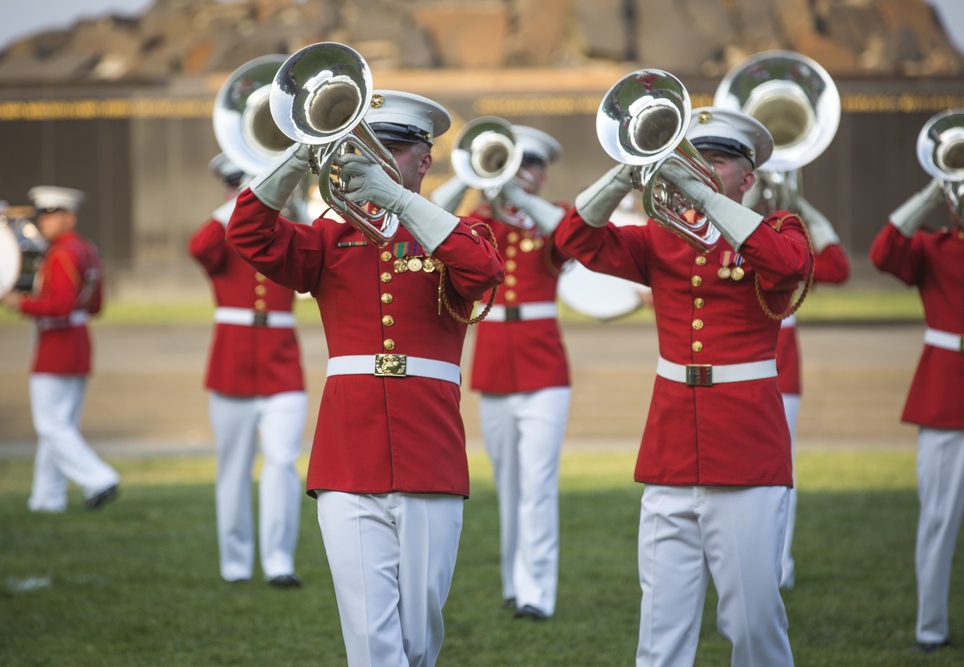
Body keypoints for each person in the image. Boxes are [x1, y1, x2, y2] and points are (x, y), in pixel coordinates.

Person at [226, 90, 505, 667]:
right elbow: (248, 234)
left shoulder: (460, 232)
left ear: (423, 160)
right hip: (347, 455)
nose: (376, 158)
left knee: (419, 636)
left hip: (428, 452)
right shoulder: (330, 237)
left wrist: (396, 200)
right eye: (362, 146)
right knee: (370, 637)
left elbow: (481, 272)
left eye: (393, 148)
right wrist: (303, 155)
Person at [554, 106, 813, 666]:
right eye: (690, 157)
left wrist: (709, 199)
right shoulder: (660, 240)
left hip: (746, 450)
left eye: (715, 160)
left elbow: (787, 267)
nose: (697, 168)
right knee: (662, 623)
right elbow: (575, 239)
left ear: (749, 176)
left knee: (752, 620)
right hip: (671, 448)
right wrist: (627, 170)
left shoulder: (777, 231)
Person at [432, 126, 571, 620]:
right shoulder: (477, 221)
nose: (524, 172)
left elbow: (570, 238)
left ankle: (537, 592)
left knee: (538, 483)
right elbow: (428, 220)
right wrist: (475, 181)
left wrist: (514, 194)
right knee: (509, 485)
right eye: (517, 163)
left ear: (543, 171)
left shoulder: (550, 218)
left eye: (532, 164)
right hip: (495, 366)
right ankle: (515, 583)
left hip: (544, 370)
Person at [188, 153, 308, 588]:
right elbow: (198, 248)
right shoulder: (222, 231)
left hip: (281, 364)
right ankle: (235, 564)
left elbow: (312, 246)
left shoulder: (282, 229)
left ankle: (279, 562)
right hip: (233, 364)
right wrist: (241, 201)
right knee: (233, 467)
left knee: (282, 462)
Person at [870, 174, 964, 655]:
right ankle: (931, 629)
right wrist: (934, 190)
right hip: (946, 397)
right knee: (938, 521)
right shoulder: (933, 247)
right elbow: (884, 251)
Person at [0, 186, 120, 513]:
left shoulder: (62, 253)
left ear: (70, 217)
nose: (44, 221)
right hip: (78, 341)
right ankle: (46, 498)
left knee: (51, 426)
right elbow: (94, 305)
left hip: (58, 343)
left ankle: (98, 478)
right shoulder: (86, 249)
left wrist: (20, 303)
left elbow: (61, 305)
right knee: (59, 427)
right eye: (43, 214)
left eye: (52, 214)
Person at [771, 195, 850, 590]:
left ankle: (780, 564)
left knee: (783, 471)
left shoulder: (783, 236)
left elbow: (837, 268)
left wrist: (811, 216)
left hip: (781, 367)